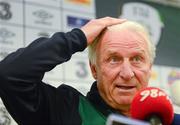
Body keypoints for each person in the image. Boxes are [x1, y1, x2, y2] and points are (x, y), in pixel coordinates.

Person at [0, 17, 155, 125]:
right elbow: (10, 75)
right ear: (94, 69)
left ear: (149, 68)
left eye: (137, 59)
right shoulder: (65, 111)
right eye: (114, 59)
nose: (127, 73)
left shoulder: (169, 120)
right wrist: (78, 37)